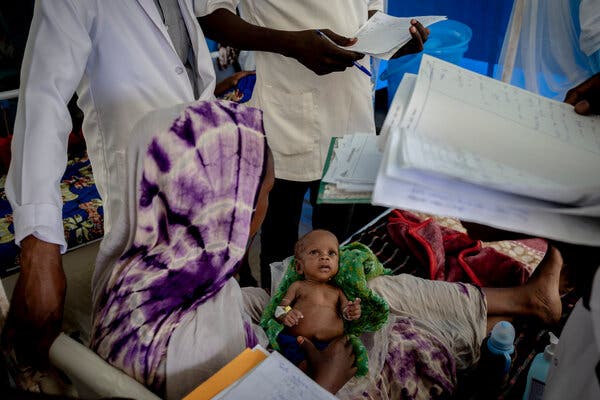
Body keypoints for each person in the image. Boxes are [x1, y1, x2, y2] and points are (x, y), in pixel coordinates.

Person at [87, 97, 566, 399]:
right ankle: (491, 327)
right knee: (396, 334)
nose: (263, 215)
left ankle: (518, 305)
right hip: (306, 377)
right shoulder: (204, 350)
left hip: (240, 320)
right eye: (266, 197)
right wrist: (325, 383)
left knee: (365, 286)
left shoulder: (132, 273)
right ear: (228, 215)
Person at [2, 0, 390, 369]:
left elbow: (186, 66)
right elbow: (43, 99)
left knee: (206, 324)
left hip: (203, 186)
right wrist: (39, 246)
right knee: (146, 333)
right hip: (141, 188)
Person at [197, 2, 431, 289]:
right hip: (286, 111)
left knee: (336, 242)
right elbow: (211, 15)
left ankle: (323, 316)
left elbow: (364, 12)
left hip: (352, 111)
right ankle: (278, 317)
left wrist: (393, 39)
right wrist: (290, 44)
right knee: (279, 240)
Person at [273, 230, 362, 369]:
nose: (324, 257)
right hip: (297, 342)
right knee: (299, 364)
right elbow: (279, 309)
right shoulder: (298, 286)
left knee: (340, 359)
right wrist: (286, 314)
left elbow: (346, 312)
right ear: (299, 266)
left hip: (330, 345)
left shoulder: (337, 291)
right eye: (315, 252)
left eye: (331, 253)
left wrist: (352, 311)